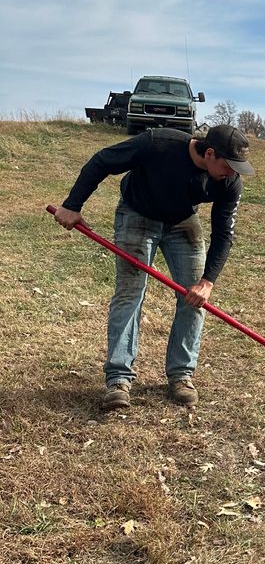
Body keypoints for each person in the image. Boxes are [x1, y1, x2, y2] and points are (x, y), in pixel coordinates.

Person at [53, 124, 254, 411]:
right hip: (138, 213)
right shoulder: (156, 143)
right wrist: (72, 205)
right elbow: (102, 161)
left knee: (195, 298)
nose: (232, 173)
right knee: (130, 292)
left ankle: (181, 375)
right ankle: (119, 379)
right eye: (228, 166)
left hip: (182, 221)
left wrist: (207, 281)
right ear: (209, 153)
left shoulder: (228, 182)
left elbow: (224, 234)